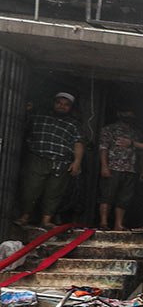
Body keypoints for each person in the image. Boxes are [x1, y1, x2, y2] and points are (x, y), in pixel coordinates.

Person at [17, 93, 86, 229]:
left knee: (54, 192)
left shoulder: (73, 124)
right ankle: (24, 217)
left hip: (61, 162)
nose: (62, 107)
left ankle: (46, 221)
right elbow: (22, 126)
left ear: (70, 108)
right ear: (54, 103)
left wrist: (77, 162)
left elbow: (78, 143)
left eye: (66, 105)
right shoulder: (38, 116)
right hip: (38, 157)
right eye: (59, 103)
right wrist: (26, 109)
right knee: (30, 189)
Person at [97, 108, 143, 231]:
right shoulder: (109, 129)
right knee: (107, 196)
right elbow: (103, 148)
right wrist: (104, 166)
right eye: (126, 112)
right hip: (113, 168)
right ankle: (103, 222)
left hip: (130, 169)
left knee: (124, 199)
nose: (129, 115)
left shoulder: (136, 133)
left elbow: (141, 153)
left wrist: (142, 170)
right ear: (119, 113)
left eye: (131, 113)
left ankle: (118, 224)